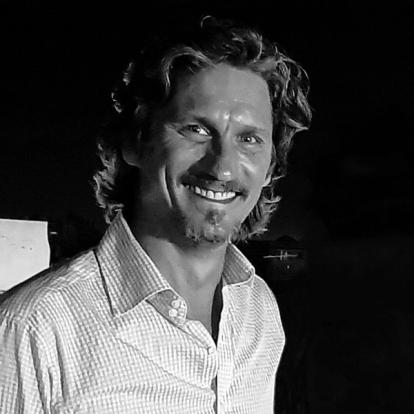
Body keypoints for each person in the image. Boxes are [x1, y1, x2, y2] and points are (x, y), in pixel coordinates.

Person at [0, 16, 311, 413]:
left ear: (269, 168)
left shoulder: (259, 313)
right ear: (135, 142)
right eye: (197, 130)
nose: (223, 167)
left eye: (249, 139)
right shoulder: (34, 331)